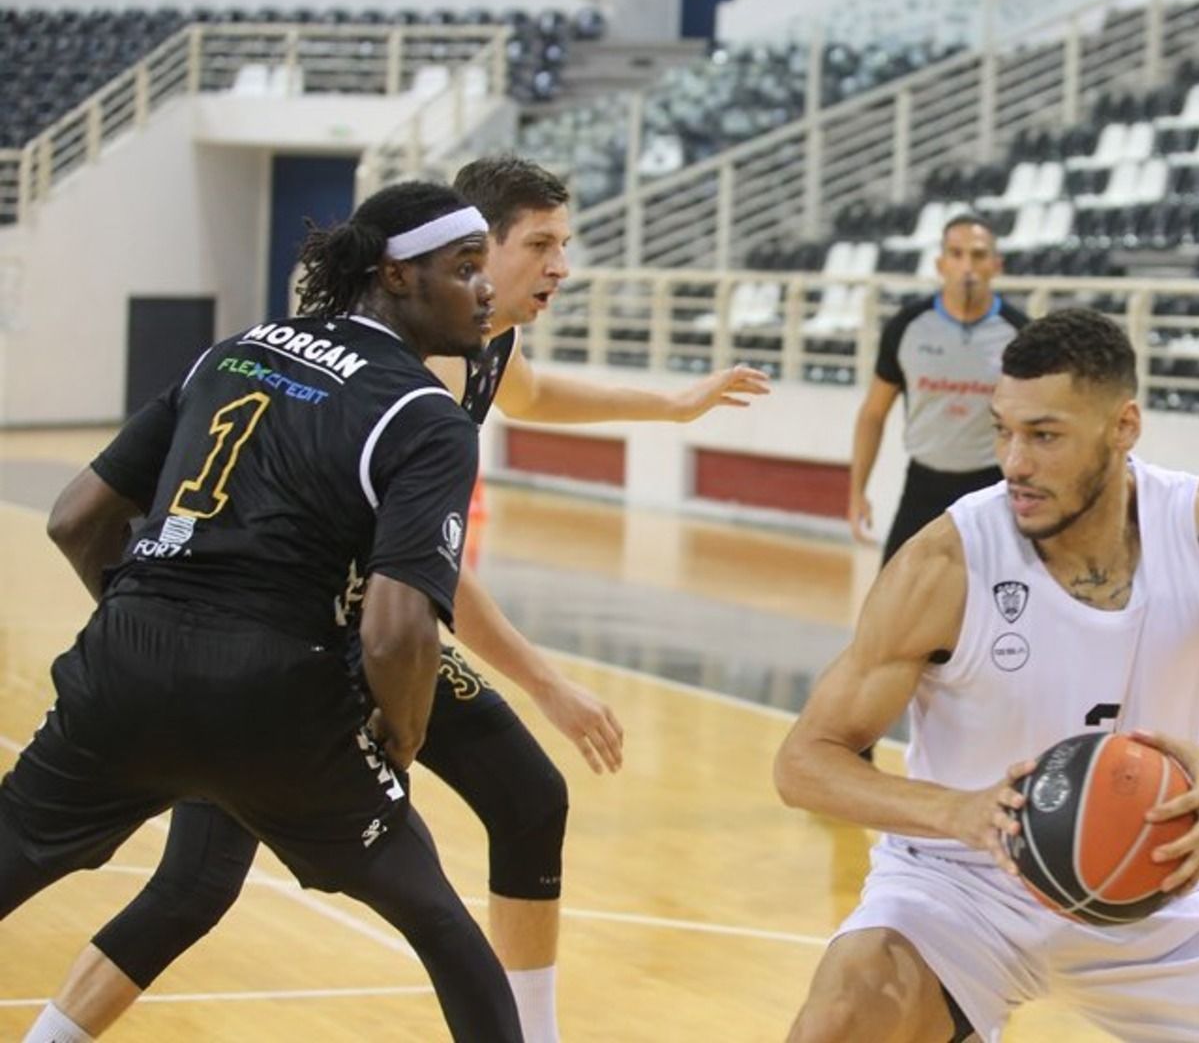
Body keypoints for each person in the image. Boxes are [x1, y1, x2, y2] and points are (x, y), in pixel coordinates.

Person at [27, 156, 770, 1043]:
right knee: (201, 884)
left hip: (301, 631)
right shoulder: (422, 376)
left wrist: (673, 407)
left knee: (526, 796)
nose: (561, 266)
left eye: (564, 244)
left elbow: (536, 396)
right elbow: (423, 589)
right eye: (539, 245)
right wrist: (542, 684)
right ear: (462, 254)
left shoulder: (482, 342)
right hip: (322, 637)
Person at [1, 181, 522, 1041]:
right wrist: (402, 736)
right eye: (466, 267)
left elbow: (74, 519)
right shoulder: (427, 414)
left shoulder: (231, 352)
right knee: (437, 920)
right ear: (395, 275)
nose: (485, 288)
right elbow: (395, 629)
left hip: (124, 666)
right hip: (275, 698)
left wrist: (148, 622)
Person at [775, 308, 1199, 1043]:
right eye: (1002, 430)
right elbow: (803, 762)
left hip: (1144, 889)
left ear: (1124, 426)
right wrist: (958, 812)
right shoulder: (947, 560)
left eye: (1044, 436)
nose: (1013, 462)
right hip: (960, 886)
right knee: (840, 1021)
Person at [848, 213, 1028, 562]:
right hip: (922, 486)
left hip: (993, 489)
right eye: (956, 254)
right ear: (940, 264)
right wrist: (857, 491)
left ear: (996, 265)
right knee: (894, 592)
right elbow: (873, 414)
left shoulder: (1020, 334)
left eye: (978, 255)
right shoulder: (906, 327)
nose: (967, 266)